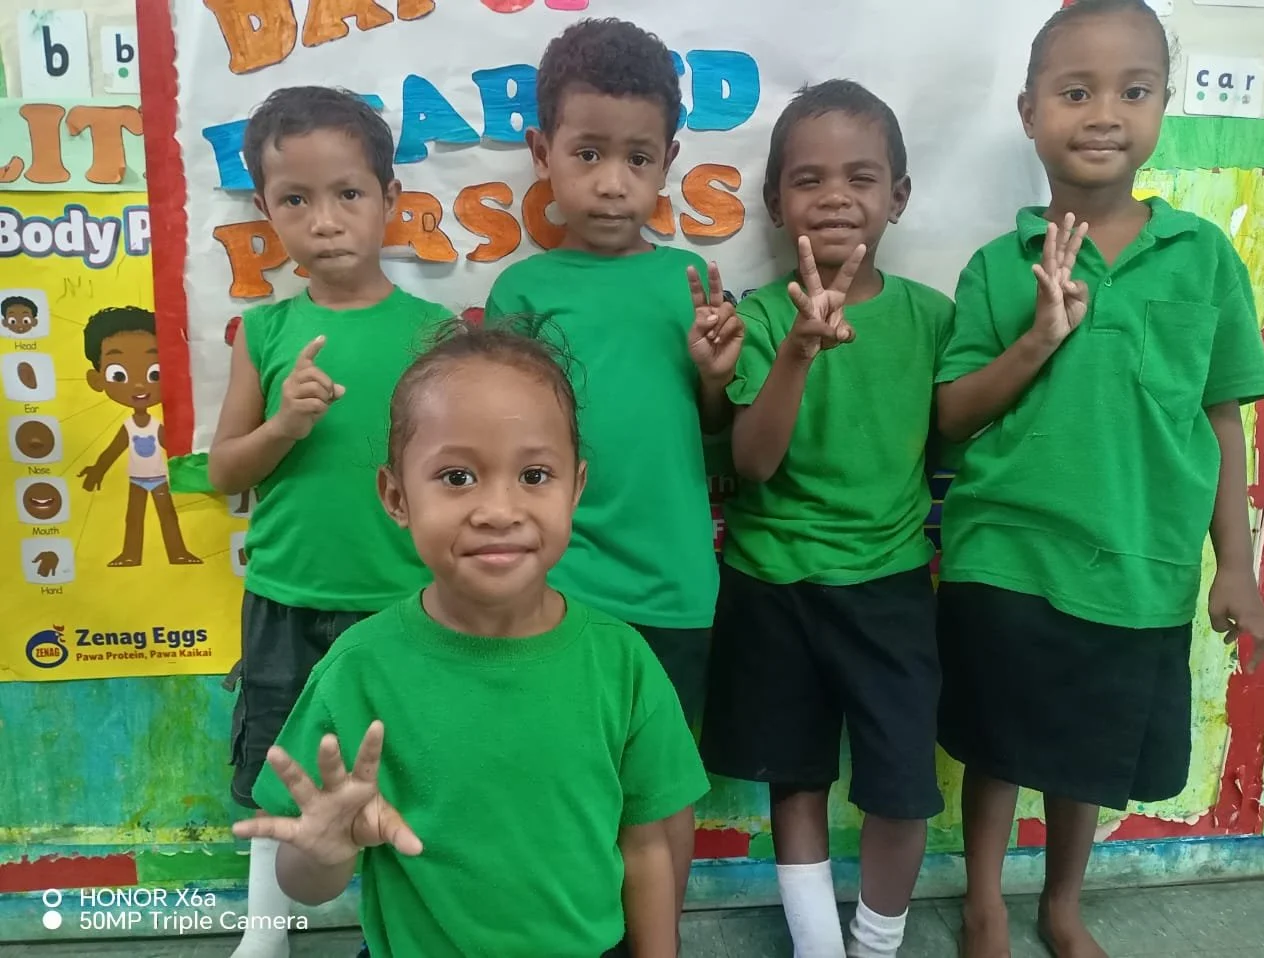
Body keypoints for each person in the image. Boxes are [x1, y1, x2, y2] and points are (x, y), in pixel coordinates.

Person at [932, 2, 1264, 956]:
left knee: (1087, 756)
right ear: (1028, 111)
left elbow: (1222, 418)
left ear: (1164, 104)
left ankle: (1063, 903)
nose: (1103, 112)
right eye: (1074, 91)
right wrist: (1041, 339)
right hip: (1005, 551)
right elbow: (951, 419)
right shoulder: (998, 266)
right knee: (999, 748)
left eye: (1133, 90)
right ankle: (986, 905)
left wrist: (1238, 567)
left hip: (1142, 565)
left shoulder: (1203, 257)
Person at [233, 320, 709, 958]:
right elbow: (308, 881)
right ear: (397, 497)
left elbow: (650, 844)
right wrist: (324, 849)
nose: (499, 510)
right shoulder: (358, 670)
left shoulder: (621, 663)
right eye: (457, 478)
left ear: (578, 489)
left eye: (535, 475)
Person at [484, 17, 743, 920]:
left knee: (663, 791)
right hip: (556, 587)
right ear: (540, 150)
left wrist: (718, 380)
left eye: (637, 159)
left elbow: (716, 440)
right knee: (559, 777)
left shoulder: (691, 283)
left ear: (669, 159)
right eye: (587, 152)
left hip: (673, 586)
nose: (610, 183)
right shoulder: (521, 292)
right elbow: (502, 449)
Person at [698, 81, 953, 958]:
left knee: (901, 787)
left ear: (900, 196)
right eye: (808, 180)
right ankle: (817, 945)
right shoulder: (761, 319)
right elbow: (752, 463)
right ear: (775, 203)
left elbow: (952, 437)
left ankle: (875, 945)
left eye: (861, 177)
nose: (836, 196)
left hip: (888, 589)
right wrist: (800, 349)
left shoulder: (931, 318)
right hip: (772, 586)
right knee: (795, 777)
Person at [207, 86, 452, 958]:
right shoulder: (265, 331)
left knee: (409, 770)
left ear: (389, 199)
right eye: (295, 200)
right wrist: (283, 425)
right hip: (286, 594)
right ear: (267, 211)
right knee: (279, 767)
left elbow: (460, 472)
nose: (325, 221)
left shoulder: (436, 335)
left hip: (404, 603)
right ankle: (265, 936)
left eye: (349, 194)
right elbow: (223, 472)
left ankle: (411, 925)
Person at [78, 305, 202, 567]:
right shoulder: (129, 426)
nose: (138, 385)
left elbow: (175, 448)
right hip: (137, 480)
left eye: (154, 373)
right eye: (118, 375)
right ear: (96, 379)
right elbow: (114, 450)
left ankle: (178, 552)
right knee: (133, 517)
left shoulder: (157, 425)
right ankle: (131, 554)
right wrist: (97, 470)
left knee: (167, 515)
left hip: (159, 479)